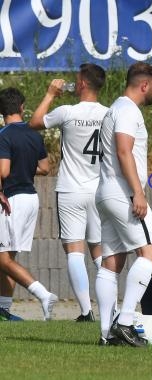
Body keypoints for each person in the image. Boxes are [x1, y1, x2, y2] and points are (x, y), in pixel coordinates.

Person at [29, 63, 108, 322]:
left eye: (76, 80)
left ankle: (86, 312)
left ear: (83, 84)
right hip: (98, 191)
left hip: (71, 189)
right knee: (98, 253)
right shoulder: (109, 114)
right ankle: (111, 309)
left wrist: (51, 93)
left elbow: (35, 122)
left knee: (74, 251)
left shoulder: (67, 111)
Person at [95, 62, 152, 347]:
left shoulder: (115, 108)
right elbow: (124, 150)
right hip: (122, 192)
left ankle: (106, 333)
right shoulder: (127, 110)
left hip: (106, 192)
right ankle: (124, 323)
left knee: (111, 263)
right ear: (144, 85)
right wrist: (138, 192)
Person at [0, 87, 59, 321]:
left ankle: (43, 294)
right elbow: (45, 168)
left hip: (10, 200)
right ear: (22, 107)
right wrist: (22, 167)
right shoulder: (34, 133)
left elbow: (3, 171)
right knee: (8, 258)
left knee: (2, 258)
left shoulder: (3, 134)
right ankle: (4, 310)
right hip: (30, 199)